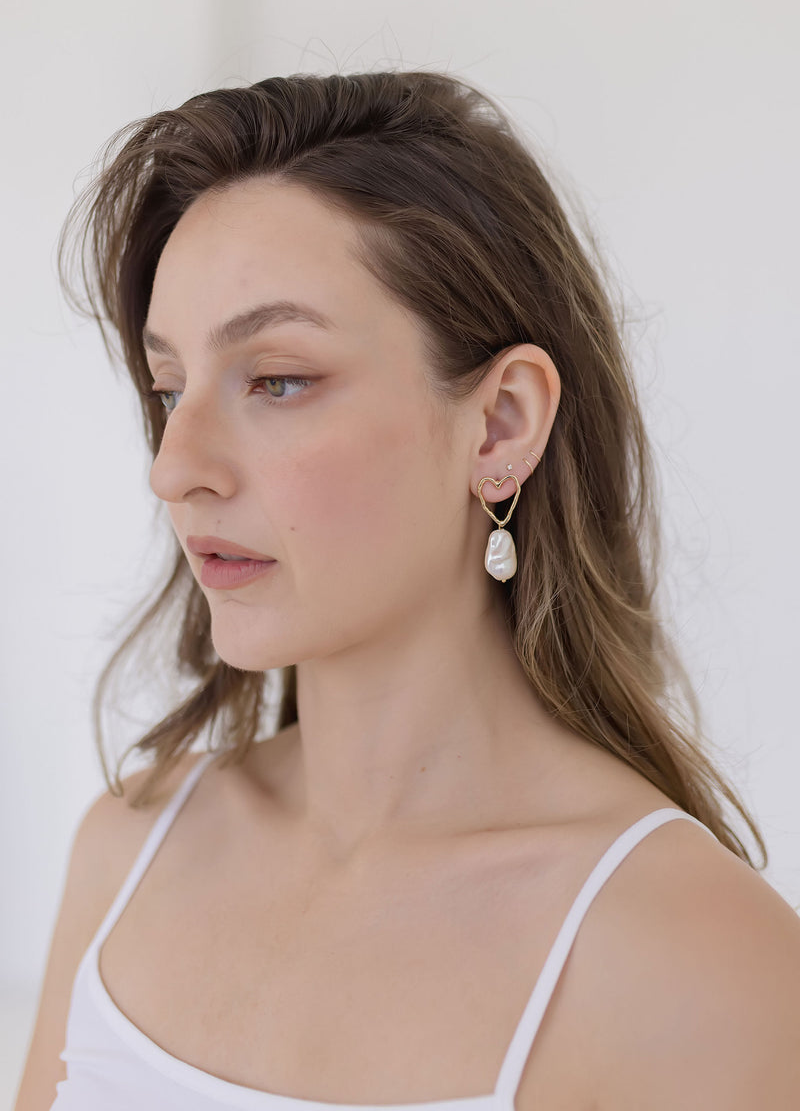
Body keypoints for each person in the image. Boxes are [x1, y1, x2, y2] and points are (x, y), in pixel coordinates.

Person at [15, 70, 800, 1110]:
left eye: (277, 380)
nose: (175, 468)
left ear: (501, 424)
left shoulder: (693, 966)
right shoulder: (128, 851)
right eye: (170, 390)